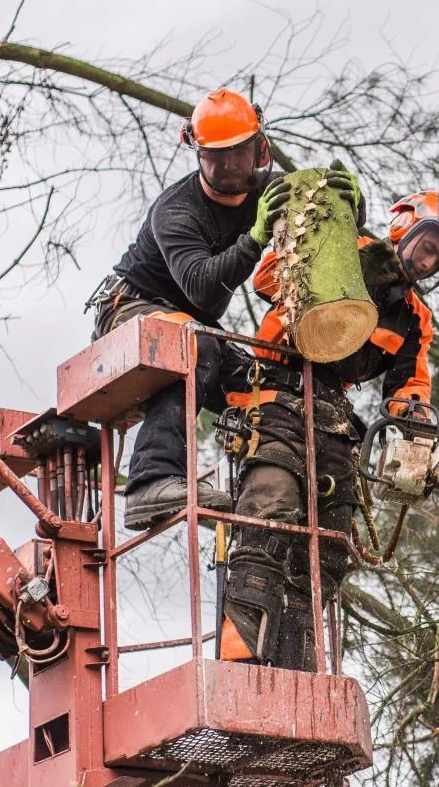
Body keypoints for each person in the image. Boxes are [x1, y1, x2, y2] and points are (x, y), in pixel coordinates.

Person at [218, 189, 439, 670]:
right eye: (427, 248)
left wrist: (415, 421)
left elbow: (409, 384)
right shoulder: (345, 246)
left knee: (331, 546)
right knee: (270, 509)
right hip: (275, 388)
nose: (427, 263)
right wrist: (334, 262)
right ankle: (239, 658)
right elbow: (267, 276)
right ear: (403, 228)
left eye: (438, 261)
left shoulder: (414, 317)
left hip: (335, 415)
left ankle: (298, 665)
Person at [86, 87, 358, 530]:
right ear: (198, 155)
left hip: (193, 326)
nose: (230, 165)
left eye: (239, 153)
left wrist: (348, 207)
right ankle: (151, 482)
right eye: (217, 157)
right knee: (196, 345)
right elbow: (204, 293)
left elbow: (322, 228)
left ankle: (267, 505)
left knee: (273, 383)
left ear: (260, 149)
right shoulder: (177, 210)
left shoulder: (271, 191)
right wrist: (254, 238)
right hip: (131, 307)